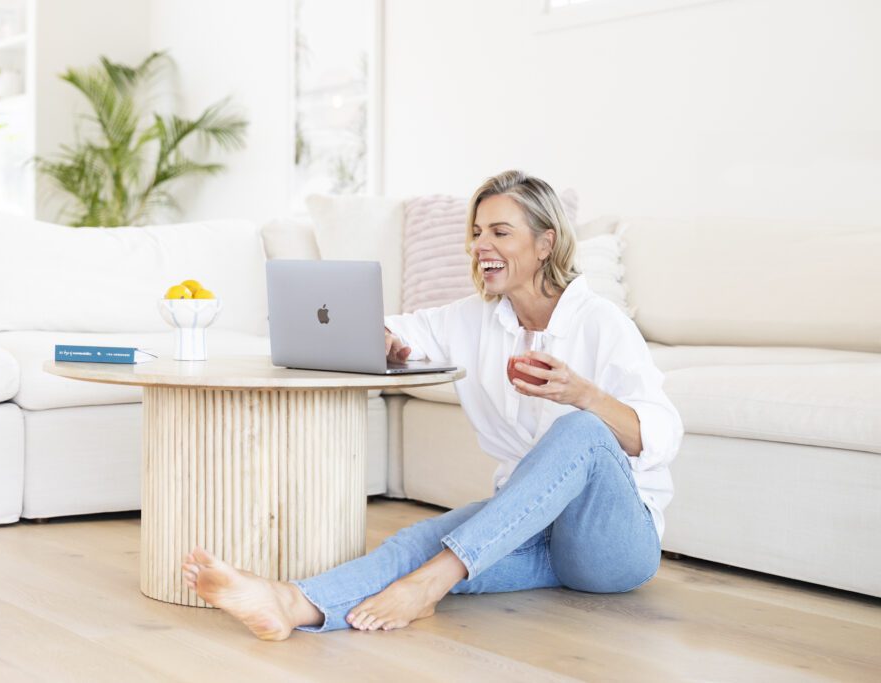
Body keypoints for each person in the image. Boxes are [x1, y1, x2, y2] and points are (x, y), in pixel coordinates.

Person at [181, 170, 683, 641]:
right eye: (477, 231)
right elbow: (401, 329)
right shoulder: (474, 319)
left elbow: (658, 437)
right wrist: (381, 339)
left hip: (614, 547)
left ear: (545, 242)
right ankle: (290, 603)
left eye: (501, 233)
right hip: (541, 539)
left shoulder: (601, 322)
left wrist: (584, 395)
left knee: (583, 429)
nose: (481, 245)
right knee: (419, 543)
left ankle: (428, 587)